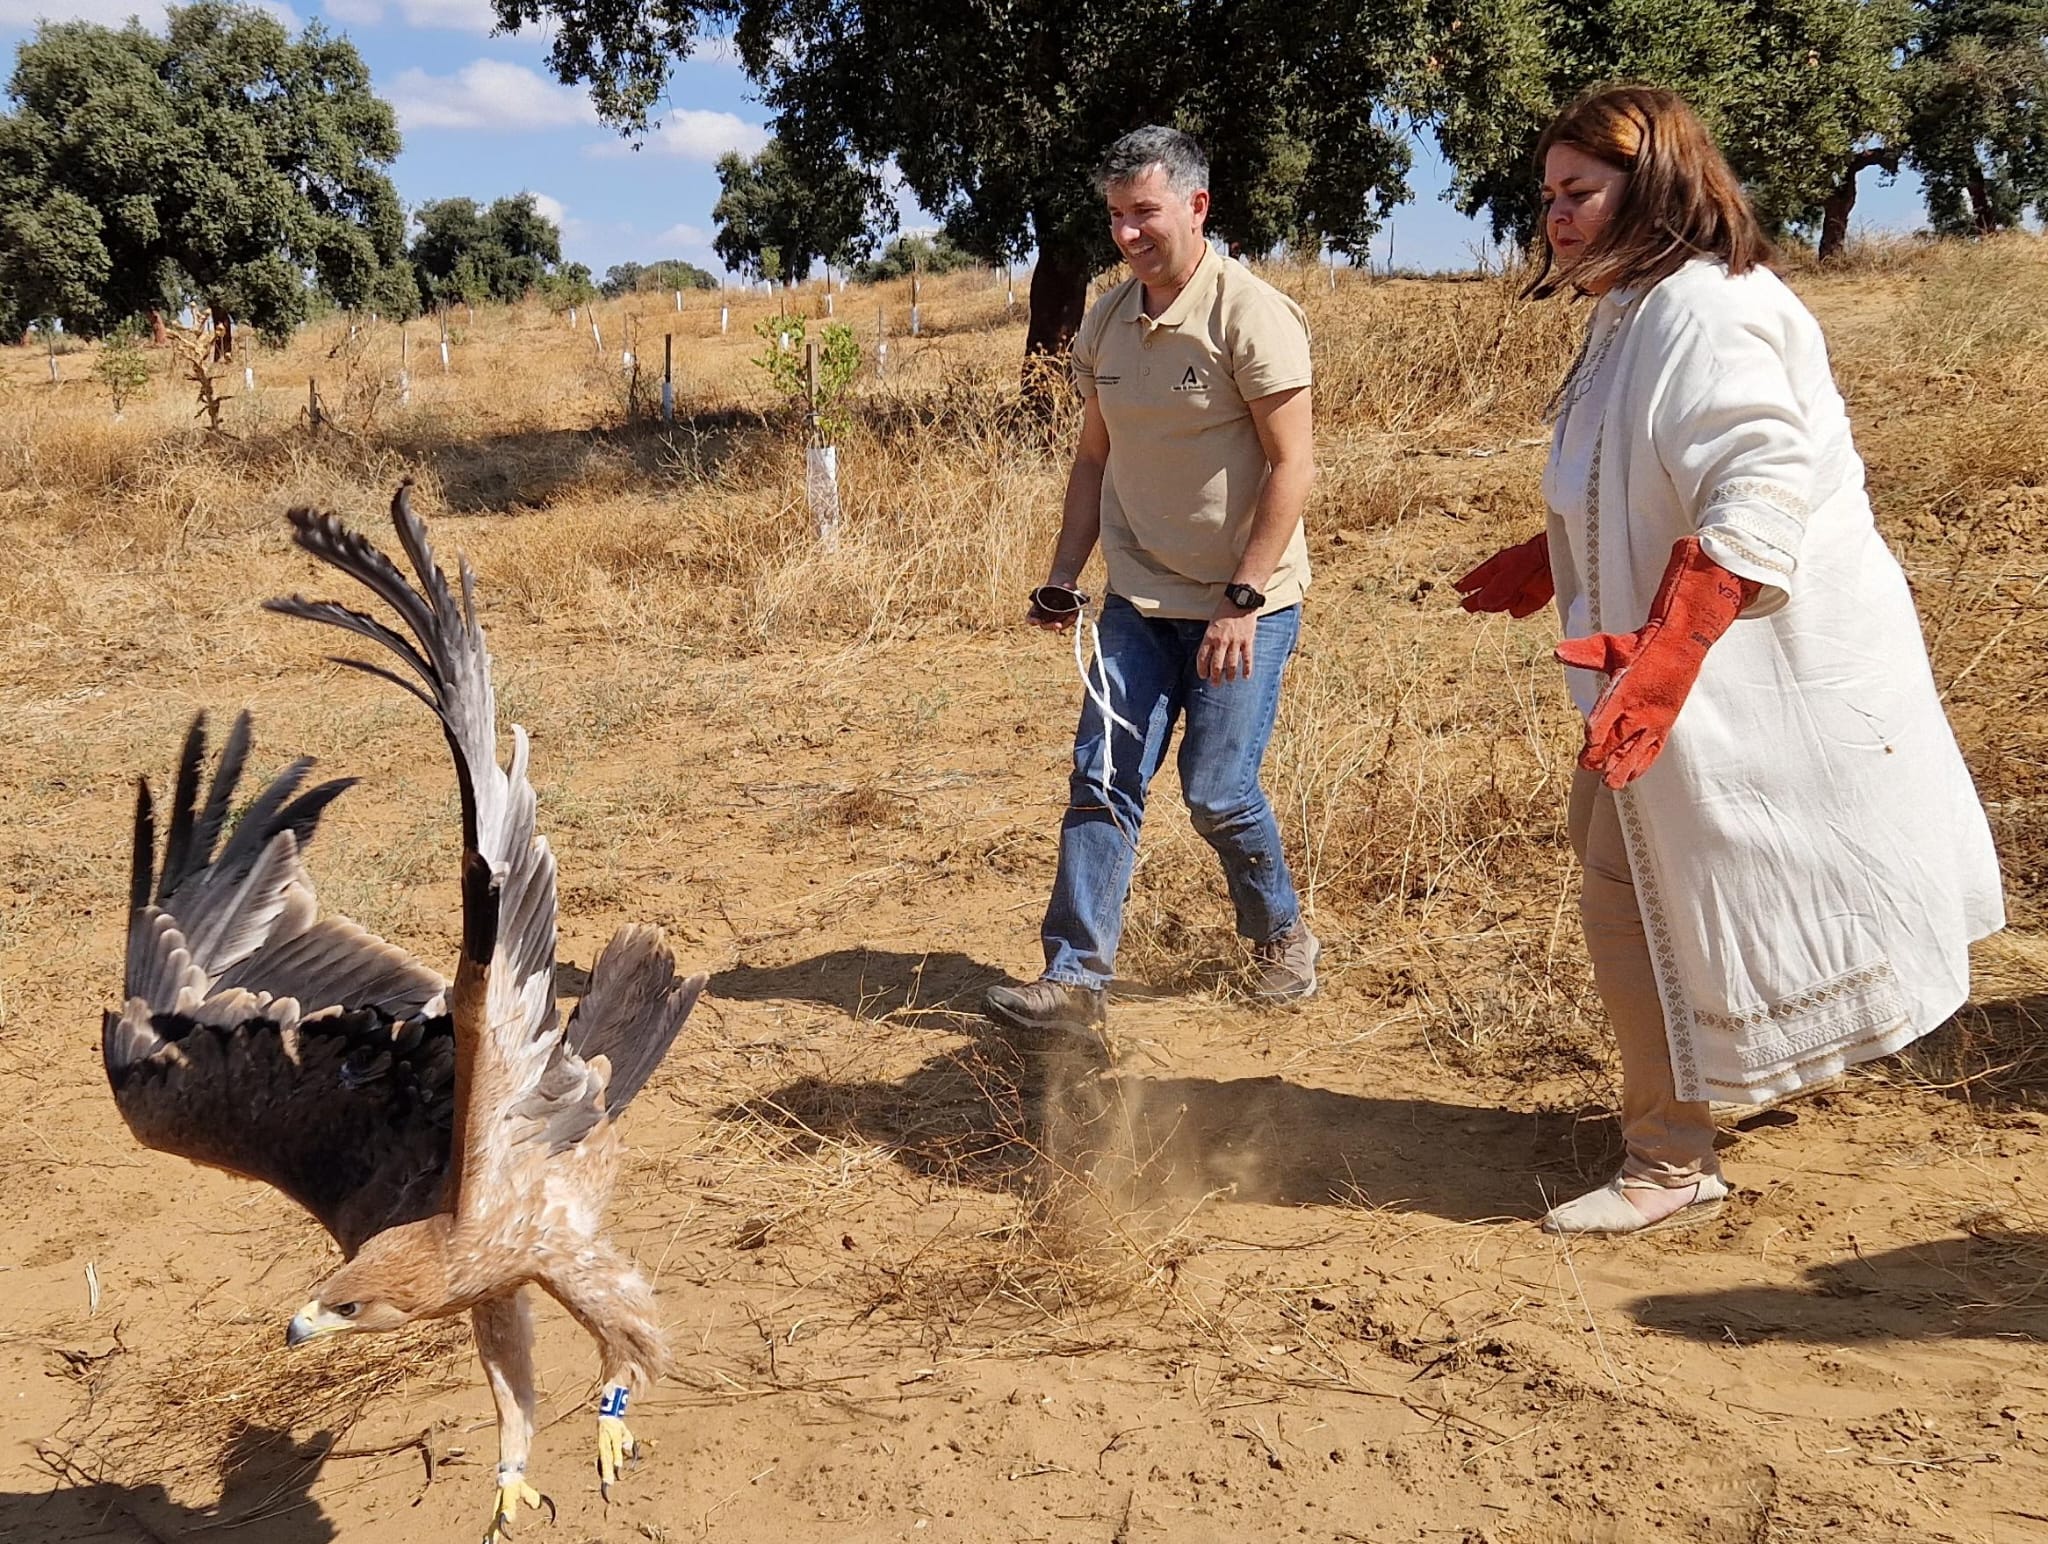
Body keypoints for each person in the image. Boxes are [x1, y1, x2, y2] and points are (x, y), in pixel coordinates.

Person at [1454, 84, 2003, 1236]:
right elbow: (1636, 470)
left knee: (1633, 890)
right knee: (1632, 871)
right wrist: (1555, 549)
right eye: (1546, 195)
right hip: (1660, 664)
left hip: (1729, 670)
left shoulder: (1705, 309)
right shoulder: (1632, 309)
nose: (1552, 216)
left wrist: (1664, 657)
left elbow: (1758, 484)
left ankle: (1667, 1160)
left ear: (1648, 185)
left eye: (1577, 193)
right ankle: (1694, 1105)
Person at [984, 125, 1320, 1047]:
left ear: (1197, 206)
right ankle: (1074, 980)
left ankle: (1279, 932)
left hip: (1238, 603)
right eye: (1116, 217)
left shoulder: (1250, 315)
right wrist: (1063, 575)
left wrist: (1244, 599)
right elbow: (1093, 459)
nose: (1129, 234)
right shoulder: (1108, 319)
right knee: (1101, 778)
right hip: (1136, 600)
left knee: (1217, 793)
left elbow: (1293, 465)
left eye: (1146, 213)